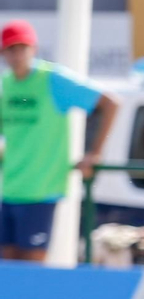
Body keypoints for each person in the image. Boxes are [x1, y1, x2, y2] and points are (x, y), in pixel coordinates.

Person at [0, 19, 118, 261]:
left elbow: (110, 103)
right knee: (7, 269)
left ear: (34, 49)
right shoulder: (5, 85)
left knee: (32, 267)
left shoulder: (52, 80)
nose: (17, 55)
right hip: (9, 189)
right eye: (11, 49)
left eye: (22, 48)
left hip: (41, 191)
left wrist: (94, 152)